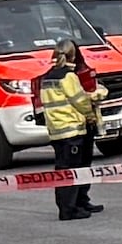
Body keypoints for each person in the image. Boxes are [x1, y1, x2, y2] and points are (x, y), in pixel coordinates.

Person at [37, 41, 103, 220]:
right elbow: (79, 101)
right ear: (73, 56)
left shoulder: (47, 77)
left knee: (65, 170)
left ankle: (73, 205)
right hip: (72, 130)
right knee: (72, 171)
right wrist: (91, 114)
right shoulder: (68, 77)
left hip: (57, 130)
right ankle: (69, 209)